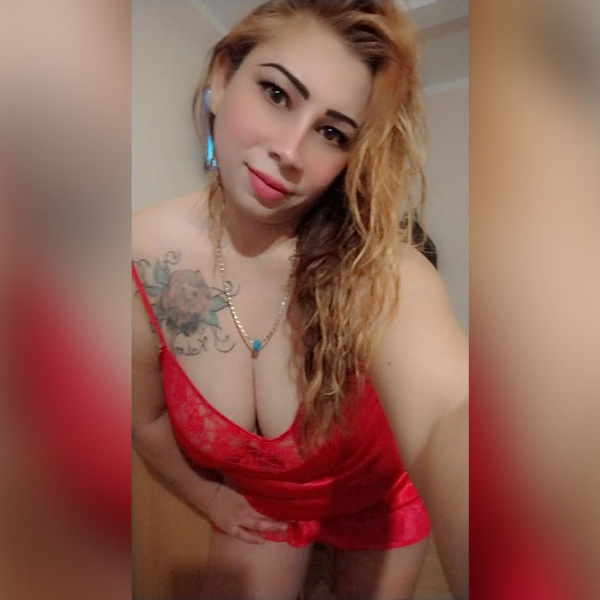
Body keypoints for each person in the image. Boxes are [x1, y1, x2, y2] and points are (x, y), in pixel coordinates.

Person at [132, 1, 468, 598]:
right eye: (277, 94)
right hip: (267, 506)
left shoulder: (375, 270)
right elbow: (147, 418)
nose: (290, 150)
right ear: (222, 77)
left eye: (332, 133)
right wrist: (211, 499)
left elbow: (450, 411)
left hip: (380, 500)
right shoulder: (137, 258)